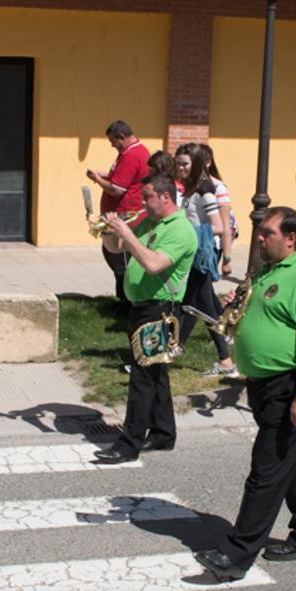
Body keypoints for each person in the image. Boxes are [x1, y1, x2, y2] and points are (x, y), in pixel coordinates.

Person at [194, 208, 296, 582]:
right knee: (294, 456)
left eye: (267, 232)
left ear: (291, 238)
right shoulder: (271, 270)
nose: (259, 238)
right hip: (264, 383)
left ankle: (237, 555)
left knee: (266, 471)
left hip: (292, 383)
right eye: (260, 232)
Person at [93, 175, 198, 465]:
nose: (143, 203)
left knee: (142, 377)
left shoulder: (180, 230)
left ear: (166, 197)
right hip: (141, 307)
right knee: (155, 373)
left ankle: (129, 444)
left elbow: (153, 264)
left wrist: (126, 233)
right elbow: (117, 249)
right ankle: (164, 433)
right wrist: (109, 230)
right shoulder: (151, 222)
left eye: (148, 197)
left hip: (159, 310)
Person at [174, 145, 235, 377]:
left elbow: (219, 226)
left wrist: (191, 233)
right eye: (178, 163)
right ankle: (173, 349)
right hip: (194, 254)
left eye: (185, 164)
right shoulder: (191, 188)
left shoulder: (205, 190)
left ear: (197, 164)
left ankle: (225, 360)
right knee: (195, 305)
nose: (180, 168)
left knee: (197, 306)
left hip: (201, 255)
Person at [86, 121, 150, 309]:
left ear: (122, 137)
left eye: (114, 142)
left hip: (125, 217)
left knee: (120, 258)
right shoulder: (130, 153)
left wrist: (97, 180)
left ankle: (127, 301)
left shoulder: (132, 155)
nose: (113, 145)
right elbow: (122, 179)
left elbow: (117, 189)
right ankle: (124, 299)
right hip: (119, 216)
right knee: (112, 254)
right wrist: (106, 175)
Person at [200, 143, 238, 279]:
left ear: (208, 162)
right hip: (196, 243)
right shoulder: (191, 185)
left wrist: (227, 260)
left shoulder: (218, 187)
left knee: (202, 289)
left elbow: (225, 224)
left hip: (210, 246)